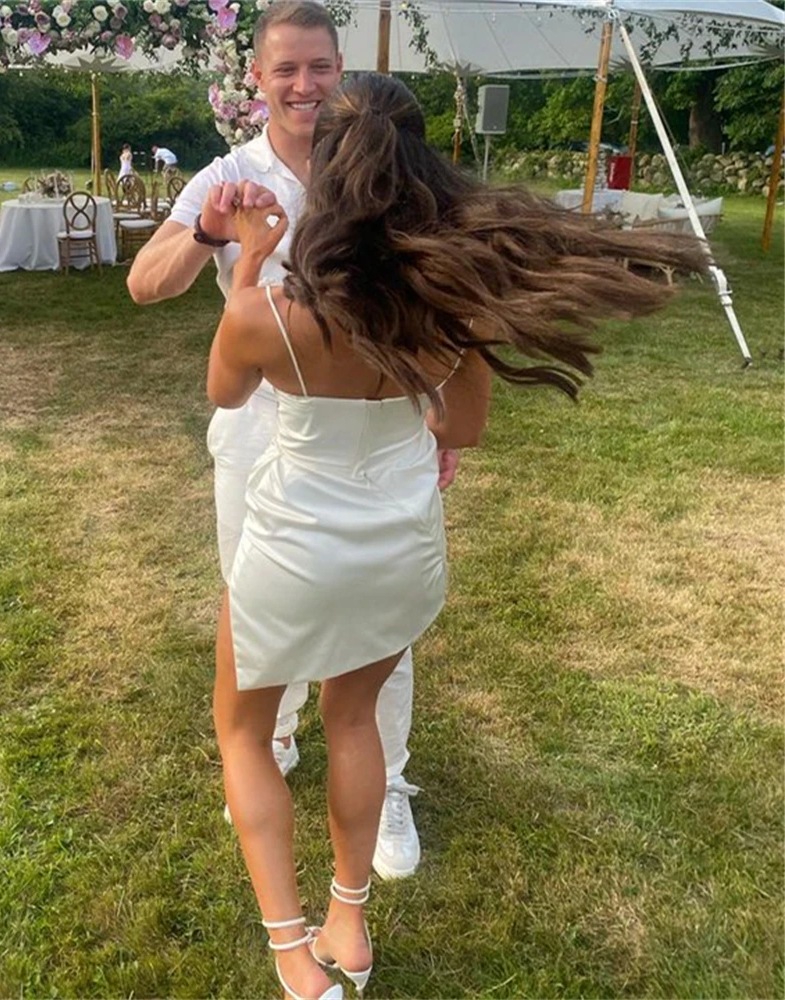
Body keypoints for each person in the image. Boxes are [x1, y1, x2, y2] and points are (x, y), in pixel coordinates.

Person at [208, 73, 706, 1000]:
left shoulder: (264, 314)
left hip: (290, 551)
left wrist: (251, 259)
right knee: (354, 718)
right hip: (397, 546)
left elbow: (225, 395)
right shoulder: (449, 306)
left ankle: (293, 956)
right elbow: (463, 429)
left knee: (243, 733)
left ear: (325, 170)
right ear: (421, 165)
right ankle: (348, 924)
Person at [129, 1, 431, 881]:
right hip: (260, 435)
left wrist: (437, 412)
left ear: (343, 72)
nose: (305, 85)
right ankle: (279, 734)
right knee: (257, 607)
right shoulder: (226, 174)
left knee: (381, 624)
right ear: (255, 80)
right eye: (286, 69)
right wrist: (208, 234)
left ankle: (392, 786)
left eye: (321, 68)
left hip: (373, 436)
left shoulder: (386, 168)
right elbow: (146, 285)